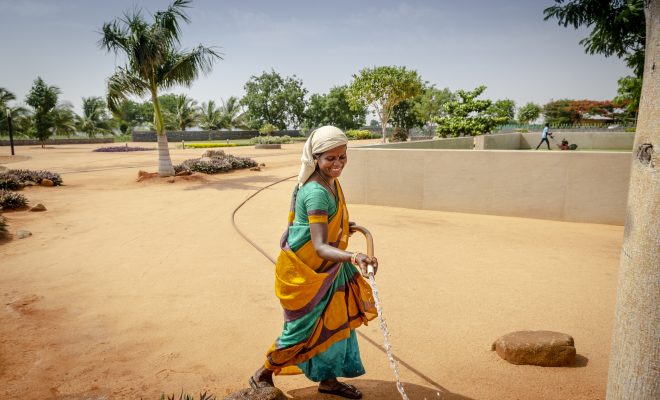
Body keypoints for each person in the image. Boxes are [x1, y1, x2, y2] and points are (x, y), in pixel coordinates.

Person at [250, 125, 378, 399]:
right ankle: (263, 373)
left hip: (327, 272)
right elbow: (319, 246)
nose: (338, 163)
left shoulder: (331, 182)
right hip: (307, 274)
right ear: (315, 158)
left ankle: (328, 380)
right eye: (330, 158)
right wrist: (355, 256)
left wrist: (345, 225)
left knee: (333, 323)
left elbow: (324, 226)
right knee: (300, 331)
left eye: (342, 157)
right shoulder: (316, 192)